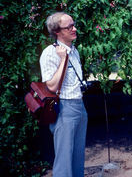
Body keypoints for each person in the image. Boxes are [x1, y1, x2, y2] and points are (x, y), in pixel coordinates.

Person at [40, 12, 88, 177]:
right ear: (57, 31)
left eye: (73, 24)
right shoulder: (50, 53)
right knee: (64, 160)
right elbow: (52, 86)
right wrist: (62, 60)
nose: (74, 29)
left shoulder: (74, 51)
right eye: (69, 27)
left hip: (79, 106)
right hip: (64, 108)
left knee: (77, 157)